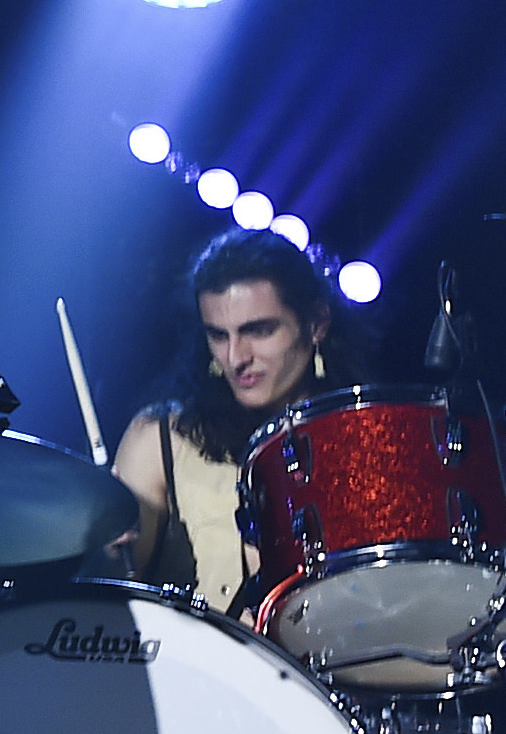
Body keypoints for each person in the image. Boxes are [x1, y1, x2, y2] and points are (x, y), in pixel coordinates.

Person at [112, 225, 356, 616]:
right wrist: (103, 543)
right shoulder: (162, 439)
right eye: (218, 336)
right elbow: (111, 587)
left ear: (317, 324)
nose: (236, 357)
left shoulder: (368, 437)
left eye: (258, 331)